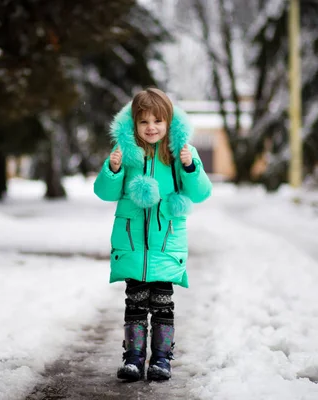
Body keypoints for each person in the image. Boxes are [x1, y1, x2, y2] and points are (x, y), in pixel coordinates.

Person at [93, 88, 212, 381]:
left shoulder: (180, 152)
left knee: (162, 303)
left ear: (168, 122)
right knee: (135, 302)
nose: (151, 128)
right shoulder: (124, 152)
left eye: (158, 121)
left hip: (167, 240)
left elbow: (200, 192)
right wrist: (113, 168)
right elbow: (104, 192)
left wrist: (189, 166)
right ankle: (133, 358)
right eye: (144, 122)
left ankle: (161, 359)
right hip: (132, 241)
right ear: (134, 123)